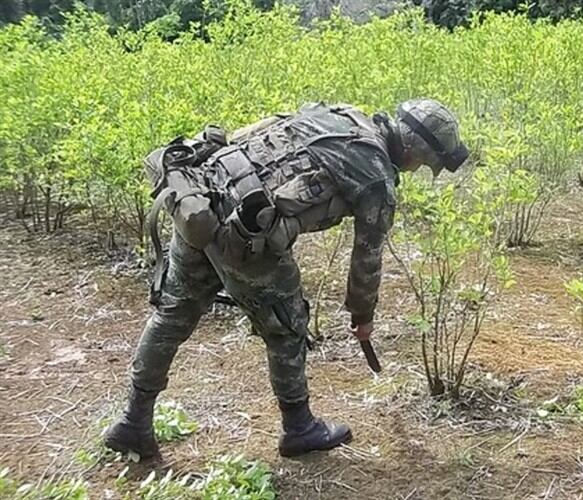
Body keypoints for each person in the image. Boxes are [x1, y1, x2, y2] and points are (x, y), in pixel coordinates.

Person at [103, 99, 469, 458]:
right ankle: (299, 427)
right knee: (287, 328)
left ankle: (133, 422)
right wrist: (362, 316)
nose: (417, 168)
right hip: (245, 233)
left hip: (202, 198)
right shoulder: (376, 177)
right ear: (410, 149)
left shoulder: (341, 113)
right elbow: (367, 258)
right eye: (422, 162)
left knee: (171, 316)